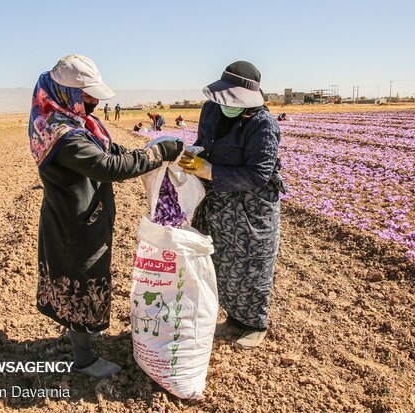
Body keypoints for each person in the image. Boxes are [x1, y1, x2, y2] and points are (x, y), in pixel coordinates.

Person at [28, 54, 183, 378]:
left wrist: (137, 153)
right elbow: (108, 167)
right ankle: (84, 359)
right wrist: (157, 153)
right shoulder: (63, 135)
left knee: (82, 277)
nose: (95, 102)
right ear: (66, 94)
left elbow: (109, 152)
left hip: (80, 214)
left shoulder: (75, 123)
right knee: (82, 279)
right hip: (74, 223)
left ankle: (80, 333)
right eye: (87, 96)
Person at [178, 61, 287, 349]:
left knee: (252, 266)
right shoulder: (212, 109)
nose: (227, 104)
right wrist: (193, 156)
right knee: (220, 264)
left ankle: (254, 324)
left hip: (252, 208)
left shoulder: (263, 125)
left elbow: (260, 174)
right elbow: (204, 140)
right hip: (218, 204)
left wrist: (211, 171)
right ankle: (233, 319)